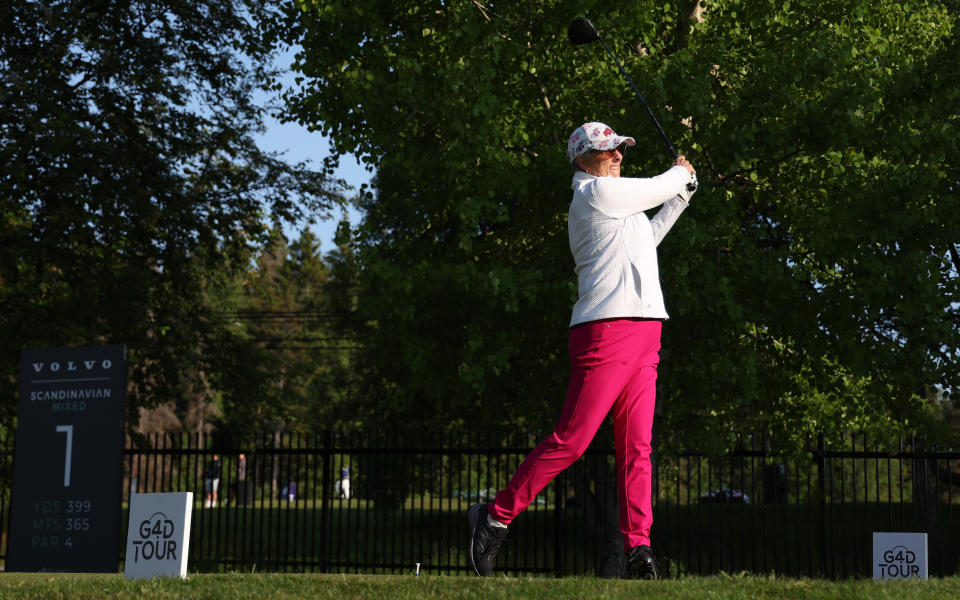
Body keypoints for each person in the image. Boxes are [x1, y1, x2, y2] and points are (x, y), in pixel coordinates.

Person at [467, 122, 697, 579]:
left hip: (646, 329)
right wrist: (679, 176)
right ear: (582, 159)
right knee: (572, 440)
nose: (616, 156)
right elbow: (657, 186)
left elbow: (647, 239)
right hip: (605, 332)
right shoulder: (595, 194)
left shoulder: (617, 204)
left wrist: (683, 196)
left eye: (619, 150)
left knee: (637, 447)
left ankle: (638, 548)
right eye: (607, 150)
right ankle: (494, 518)